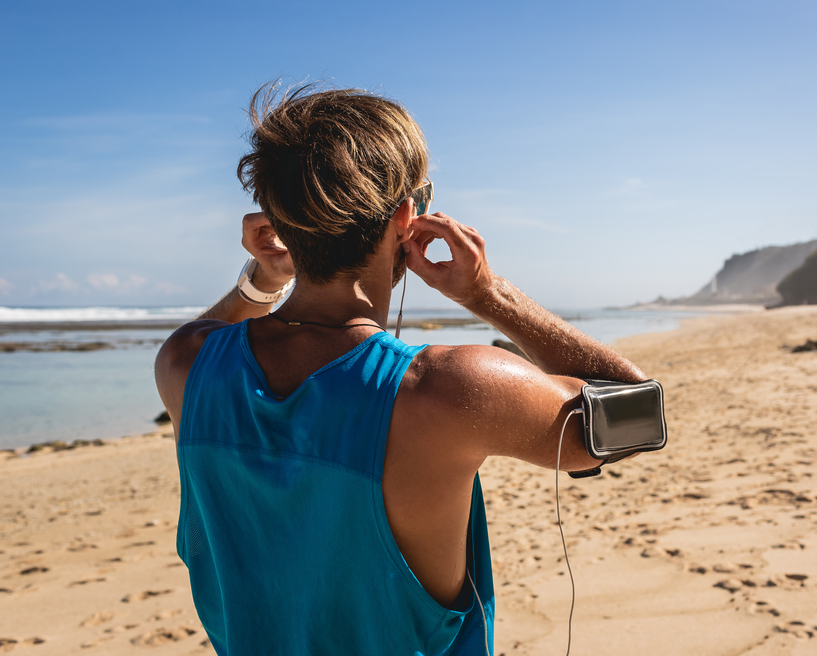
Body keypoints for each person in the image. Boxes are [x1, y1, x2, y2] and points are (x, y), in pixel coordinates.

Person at [154, 83, 647, 655]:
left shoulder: (186, 364)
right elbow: (640, 410)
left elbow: (208, 337)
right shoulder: (449, 389)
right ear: (408, 217)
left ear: (276, 222)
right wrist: (488, 294)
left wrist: (264, 279)